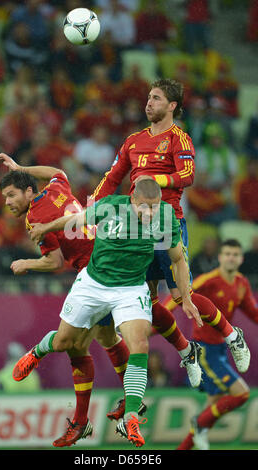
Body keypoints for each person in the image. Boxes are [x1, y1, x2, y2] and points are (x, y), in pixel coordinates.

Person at [0, 152, 202, 446]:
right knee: (90, 341)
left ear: (30, 190)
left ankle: (105, 416)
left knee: (120, 338)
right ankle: (82, 395)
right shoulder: (69, 196)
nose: (7, 202)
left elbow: (54, 260)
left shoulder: (39, 210)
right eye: (5, 197)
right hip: (96, 272)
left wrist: (26, 262)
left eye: (11, 195)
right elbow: (67, 195)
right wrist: (24, 177)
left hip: (115, 272)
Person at [88, 77, 250, 379]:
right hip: (136, 228)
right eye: (148, 97)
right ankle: (188, 351)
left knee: (179, 294)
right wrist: (93, 209)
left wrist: (154, 182)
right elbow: (112, 177)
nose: (149, 102)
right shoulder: (133, 141)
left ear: (172, 105)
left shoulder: (178, 138)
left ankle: (232, 336)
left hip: (167, 222)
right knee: (146, 303)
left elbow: (187, 175)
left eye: (156, 98)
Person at [164, 239, 257, 450]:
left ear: (241, 259)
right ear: (221, 257)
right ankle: (198, 424)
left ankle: (189, 441)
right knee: (241, 394)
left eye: (235, 254)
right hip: (205, 349)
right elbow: (178, 297)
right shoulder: (208, 280)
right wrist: (158, 319)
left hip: (222, 349)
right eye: (227, 254)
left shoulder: (242, 283)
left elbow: (253, 312)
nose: (231, 257)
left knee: (212, 405)